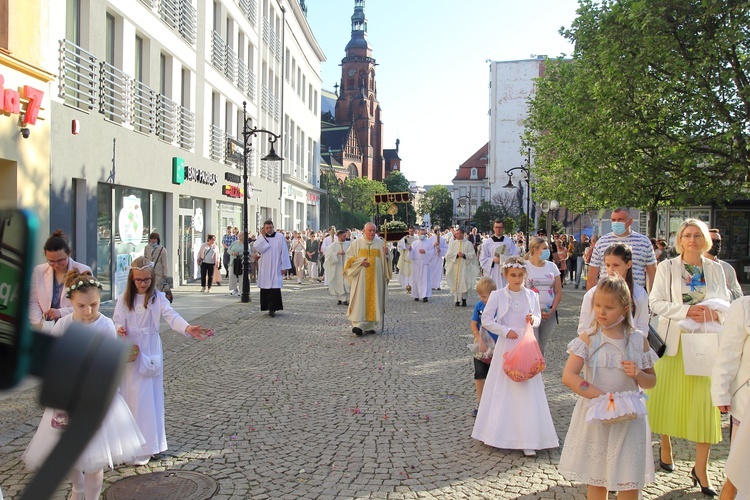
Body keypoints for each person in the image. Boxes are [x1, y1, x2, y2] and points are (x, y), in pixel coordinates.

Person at [23, 269, 146, 500]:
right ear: (70, 302)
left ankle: (91, 497)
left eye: (94, 304)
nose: (88, 311)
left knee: (94, 459)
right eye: (81, 306)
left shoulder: (106, 325)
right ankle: (77, 487)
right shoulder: (63, 324)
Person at [647, 218, 729, 496]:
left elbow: (728, 303)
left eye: (697, 235)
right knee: (666, 399)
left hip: (705, 344)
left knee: (705, 406)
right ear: (679, 239)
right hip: (674, 342)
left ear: (705, 239)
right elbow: (655, 302)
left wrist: (714, 313)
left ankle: (701, 468)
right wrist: (685, 311)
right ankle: (666, 444)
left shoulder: (716, 269)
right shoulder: (667, 267)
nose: (692, 239)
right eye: (687, 235)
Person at [559, 275, 657, 499]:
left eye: (609, 307)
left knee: (628, 480)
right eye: (597, 306)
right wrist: (603, 398)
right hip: (598, 417)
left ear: (625, 307)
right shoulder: (589, 338)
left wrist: (639, 373)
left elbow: (651, 381)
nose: (601, 312)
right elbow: (569, 376)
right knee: (598, 479)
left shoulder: (637, 340)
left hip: (630, 420)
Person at [113, 257, 209, 464]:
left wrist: (187, 327)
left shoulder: (157, 298)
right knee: (129, 395)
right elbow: (117, 320)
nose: (142, 284)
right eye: (138, 280)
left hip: (149, 350)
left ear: (152, 279)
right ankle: (128, 444)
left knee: (148, 398)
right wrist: (118, 329)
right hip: (129, 349)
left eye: (146, 280)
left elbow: (171, 316)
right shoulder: (123, 298)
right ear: (132, 279)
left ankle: (148, 445)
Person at [472, 256, 558, 456]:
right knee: (503, 388)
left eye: (520, 275)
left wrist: (533, 319)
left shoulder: (531, 295)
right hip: (507, 345)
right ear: (505, 275)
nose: (517, 279)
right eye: (513, 275)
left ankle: (528, 436)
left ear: (525, 275)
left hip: (525, 344)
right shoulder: (498, 295)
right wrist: (504, 330)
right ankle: (498, 433)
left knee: (526, 388)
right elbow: (486, 319)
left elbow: (537, 318)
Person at [711, 296, 750, 499]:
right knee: (737, 476)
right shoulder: (744, 307)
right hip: (746, 408)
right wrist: (720, 392)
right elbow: (728, 354)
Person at [578, 244, 650, 335]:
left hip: (630, 346)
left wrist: (632, 342)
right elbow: (584, 327)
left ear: (628, 264)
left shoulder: (639, 294)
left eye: (616, 265)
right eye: (607, 265)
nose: (611, 269)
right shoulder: (593, 293)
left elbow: (643, 327)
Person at [29, 230, 92, 330]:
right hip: (45, 327)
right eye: (51, 261)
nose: (56, 265)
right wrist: (40, 324)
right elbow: (32, 301)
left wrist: (61, 312)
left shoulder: (83, 270)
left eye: (60, 260)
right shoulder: (39, 271)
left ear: (69, 253)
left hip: (72, 327)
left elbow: (88, 304)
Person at [586, 208, 657, 291]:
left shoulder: (644, 242)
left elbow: (652, 273)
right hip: (607, 294)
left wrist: (652, 298)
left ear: (630, 221)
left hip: (635, 295)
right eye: (613, 220)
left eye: (620, 219)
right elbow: (592, 274)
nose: (616, 223)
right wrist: (592, 298)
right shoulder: (601, 242)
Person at [344, 222, 391, 336]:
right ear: (364, 231)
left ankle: (370, 325)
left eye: (374, 230)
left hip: (376, 278)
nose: (372, 232)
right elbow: (349, 258)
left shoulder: (381, 243)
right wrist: (360, 262)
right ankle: (357, 325)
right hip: (361, 278)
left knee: (374, 299)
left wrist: (387, 254)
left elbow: (387, 261)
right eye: (369, 230)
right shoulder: (356, 243)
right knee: (359, 300)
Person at [525, 236, 562, 357]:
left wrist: (553, 309)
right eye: (544, 248)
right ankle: (530, 371)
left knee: (541, 346)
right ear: (535, 250)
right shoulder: (525, 267)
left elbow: (558, 291)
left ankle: (538, 372)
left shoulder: (552, 267)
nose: (548, 251)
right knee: (532, 344)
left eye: (548, 248)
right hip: (531, 312)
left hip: (548, 313)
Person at [470, 277, 497, 417]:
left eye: (484, 296)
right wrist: (477, 336)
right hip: (482, 345)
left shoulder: (499, 307)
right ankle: (480, 401)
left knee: (494, 375)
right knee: (479, 374)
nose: (481, 299)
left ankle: (494, 401)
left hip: (497, 347)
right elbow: (474, 323)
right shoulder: (479, 306)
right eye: (480, 296)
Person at [253, 220, 292, 317]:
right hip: (265, 266)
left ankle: (273, 308)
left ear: (273, 227)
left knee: (274, 287)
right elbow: (258, 248)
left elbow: (284, 251)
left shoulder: (279, 237)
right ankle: (267, 307)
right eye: (267, 228)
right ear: (264, 228)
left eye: (270, 227)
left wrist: (284, 266)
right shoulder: (261, 237)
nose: (269, 229)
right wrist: (262, 237)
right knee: (266, 286)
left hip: (276, 265)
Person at [445, 227, 479, 307]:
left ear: (462, 234)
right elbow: (448, 254)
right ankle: (456, 300)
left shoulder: (468, 244)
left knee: (464, 282)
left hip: (465, 266)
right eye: (455, 234)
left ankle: (464, 299)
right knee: (456, 282)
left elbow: (472, 255)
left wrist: (464, 255)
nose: (456, 235)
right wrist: (456, 255)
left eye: (457, 234)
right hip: (455, 266)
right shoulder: (453, 243)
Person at [479, 219, 519, 288]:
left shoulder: (509, 241)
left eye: (500, 227)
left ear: (503, 229)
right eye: (496, 227)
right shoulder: (487, 242)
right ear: (493, 228)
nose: (498, 229)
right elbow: (482, 259)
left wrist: (504, 259)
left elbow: (515, 256)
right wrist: (493, 260)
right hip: (493, 270)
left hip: (505, 269)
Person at [705, 228, 742, 301]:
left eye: (718, 242)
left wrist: (726, 289)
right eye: (712, 241)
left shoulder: (727, 268)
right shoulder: (695, 265)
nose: (716, 245)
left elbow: (739, 295)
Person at [324, 230, 351, 305]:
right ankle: (341, 298)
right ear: (339, 236)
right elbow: (328, 255)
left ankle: (344, 298)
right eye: (344, 236)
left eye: (345, 236)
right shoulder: (333, 245)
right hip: (337, 267)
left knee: (346, 282)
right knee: (338, 283)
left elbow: (352, 253)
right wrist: (337, 253)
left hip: (346, 266)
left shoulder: (348, 244)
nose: (345, 237)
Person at [409, 228, 435, 302]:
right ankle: (416, 295)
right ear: (418, 234)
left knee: (425, 280)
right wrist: (410, 250)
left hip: (425, 264)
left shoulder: (429, 243)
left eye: (424, 234)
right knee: (416, 280)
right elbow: (411, 255)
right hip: (416, 264)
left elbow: (432, 254)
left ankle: (425, 295)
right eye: (421, 234)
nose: (422, 235)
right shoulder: (414, 243)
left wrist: (426, 252)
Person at [397, 227, 416, 292]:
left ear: (414, 231)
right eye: (410, 231)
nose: (411, 233)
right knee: (406, 273)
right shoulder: (405, 238)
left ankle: (413, 286)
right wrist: (404, 240)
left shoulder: (417, 238)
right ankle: (406, 285)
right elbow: (400, 246)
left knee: (412, 274)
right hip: (406, 259)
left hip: (413, 259)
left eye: (412, 231)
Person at [429, 225, 448, 290]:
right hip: (433, 257)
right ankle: (432, 285)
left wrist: (441, 250)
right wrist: (433, 245)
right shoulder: (431, 239)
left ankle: (438, 284)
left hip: (439, 257)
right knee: (432, 270)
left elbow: (446, 248)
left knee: (439, 271)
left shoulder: (443, 239)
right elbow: (428, 247)